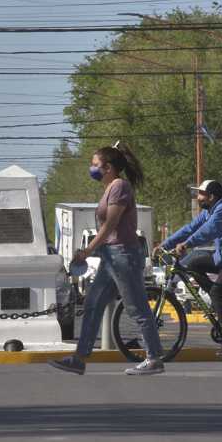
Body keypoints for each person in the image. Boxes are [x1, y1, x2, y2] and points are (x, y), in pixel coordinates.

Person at [51, 143, 165, 376]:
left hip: (123, 255)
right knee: (93, 304)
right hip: (111, 257)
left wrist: (87, 250)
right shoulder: (110, 188)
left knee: (136, 308)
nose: (91, 168)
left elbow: (111, 224)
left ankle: (154, 358)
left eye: (95, 165)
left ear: (109, 167)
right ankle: (79, 359)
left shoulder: (120, 187)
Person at [158, 179, 222, 356]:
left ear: (211, 197)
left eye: (201, 194)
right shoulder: (209, 211)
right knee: (194, 264)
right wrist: (165, 244)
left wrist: (186, 245)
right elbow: (190, 228)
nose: (197, 197)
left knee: (217, 293)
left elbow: (209, 231)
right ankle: (218, 302)